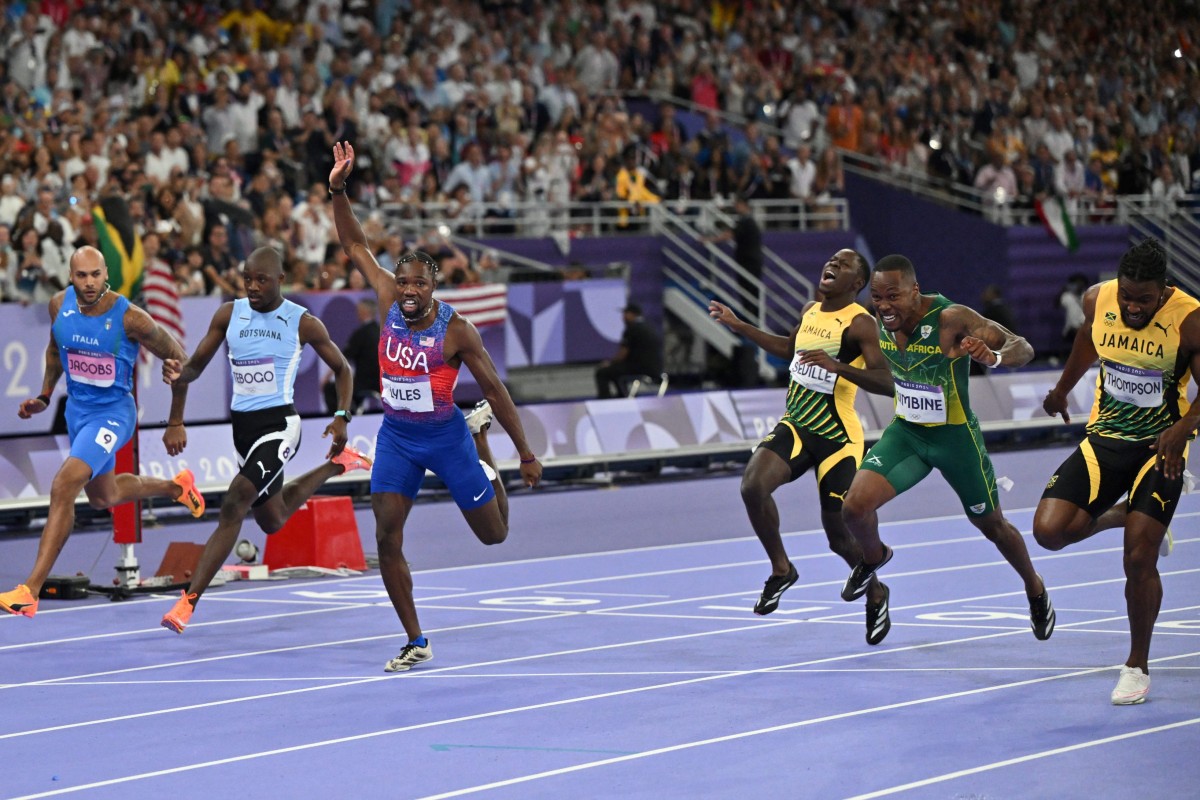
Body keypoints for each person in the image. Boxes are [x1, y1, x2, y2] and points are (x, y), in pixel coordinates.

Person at [329, 141, 543, 673]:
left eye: (417, 284)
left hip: (447, 438)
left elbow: (496, 391)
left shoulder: (457, 331)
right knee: (385, 534)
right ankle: (415, 638)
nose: (406, 290)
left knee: (494, 535)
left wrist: (525, 453)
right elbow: (355, 245)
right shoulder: (386, 300)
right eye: (402, 281)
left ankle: (482, 449)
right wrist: (337, 190)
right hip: (398, 437)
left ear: (434, 286)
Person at [839, 254, 1056, 643]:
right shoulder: (877, 324)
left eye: (893, 296)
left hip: (955, 441)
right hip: (906, 434)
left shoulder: (949, 319)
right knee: (854, 507)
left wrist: (996, 356)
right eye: (877, 297)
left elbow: (1021, 347)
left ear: (915, 291)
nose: (884, 306)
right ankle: (875, 558)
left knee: (993, 527)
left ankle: (1034, 587)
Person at [158, 247, 373, 634]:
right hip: (242, 429)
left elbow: (343, 369)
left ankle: (188, 601)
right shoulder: (229, 313)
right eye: (247, 279)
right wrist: (179, 375)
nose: (253, 287)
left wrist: (342, 417)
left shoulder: (302, 322)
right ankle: (337, 465)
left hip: (280, 426)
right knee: (272, 519)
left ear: (280, 281)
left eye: (262, 280)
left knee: (236, 499)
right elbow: (195, 367)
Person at [1033, 238, 1199, 704]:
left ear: (1163, 291)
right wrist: (1062, 390)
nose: (1132, 306)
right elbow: (1088, 341)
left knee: (1138, 559)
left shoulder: (1188, 319)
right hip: (1104, 439)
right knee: (1049, 531)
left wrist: (1184, 427)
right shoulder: (1098, 299)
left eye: (1143, 299)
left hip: (1158, 448)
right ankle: (1123, 513)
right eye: (1127, 295)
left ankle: (1136, 665)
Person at [0, 246, 206, 618]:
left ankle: (29, 591)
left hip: (113, 414)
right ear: (71, 275)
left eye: (96, 274)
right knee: (103, 496)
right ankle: (177, 487)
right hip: (78, 413)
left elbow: (182, 361)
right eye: (82, 276)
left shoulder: (132, 318)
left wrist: (175, 421)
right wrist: (45, 396)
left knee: (64, 485)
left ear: (105, 272)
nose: (90, 282)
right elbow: (53, 350)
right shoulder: (58, 305)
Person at [709, 249, 896, 643]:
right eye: (831, 260)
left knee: (838, 537)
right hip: (796, 424)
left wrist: (839, 367)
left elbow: (886, 380)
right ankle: (782, 570)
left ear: (856, 284)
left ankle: (876, 592)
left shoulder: (861, 324)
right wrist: (739, 325)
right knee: (752, 486)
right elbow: (787, 348)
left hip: (838, 438)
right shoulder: (811, 310)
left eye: (843, 265)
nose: (832, 264)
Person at [323, 297, 381, 415]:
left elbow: (342, 359)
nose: (357, 313)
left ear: (364, 311)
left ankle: (340, 419)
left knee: (329, 388)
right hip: (381, 383)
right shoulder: (381, 331)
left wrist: (326, 378)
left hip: (364, 384)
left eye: (358, 310)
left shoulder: (361, 333)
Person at [595, 302, 663, 399]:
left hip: (640, 368)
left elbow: (623, 354)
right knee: (616, 371)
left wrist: (610, 363)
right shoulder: (650, 327)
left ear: (632, 314)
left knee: (602, 372)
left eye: (625, 314)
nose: (623, 317)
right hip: (655, 369)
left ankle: (604, 399)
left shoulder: (632, 329)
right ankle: (623, 395)